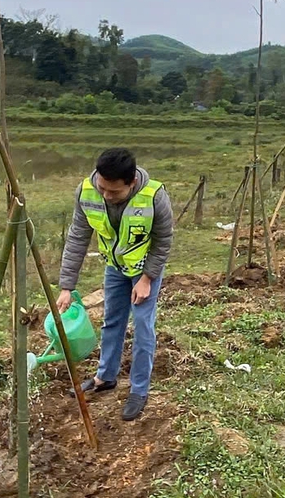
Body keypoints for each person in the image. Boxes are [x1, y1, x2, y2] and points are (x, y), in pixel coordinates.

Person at [57, 148, 173, 421]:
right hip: (115, 266)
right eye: (103, 188)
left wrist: (146, 279)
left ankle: (139, 389)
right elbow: (77, 238)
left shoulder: (155, 196)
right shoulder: (87, 191)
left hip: (145, 268)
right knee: (112, 321)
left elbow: (164, 241)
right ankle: (105, 377)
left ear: (131, 182)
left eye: (114, 192)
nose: (106, 196)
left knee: (143, 326)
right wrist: (66, 286)